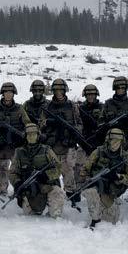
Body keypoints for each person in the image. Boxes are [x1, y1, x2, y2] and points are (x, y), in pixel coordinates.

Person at [39, 78, 83, 208]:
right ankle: (55, 194)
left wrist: (74, 131)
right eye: (56, 90)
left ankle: (71, 195)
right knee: (52, 171)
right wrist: (48, 123)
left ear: (64, 90)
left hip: (68, 144)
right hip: (52, 144)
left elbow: (79, 123)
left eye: (61, 90)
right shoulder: (47, 107)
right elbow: (40, 125)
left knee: (68, 171)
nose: (59, 92)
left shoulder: (72, 106)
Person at [80, 128, 128, 228]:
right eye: (112, 140)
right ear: (107, 141)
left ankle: (103, 207)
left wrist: (119, 176)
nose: (114, 144)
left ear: (122, 142)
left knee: (111, 220)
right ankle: (94, 219)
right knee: (91, 192)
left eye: (117, 141)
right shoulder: (98, 152)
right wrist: (88, 180)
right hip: (96, 185)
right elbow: (84, 169)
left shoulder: (126, 157)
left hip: (112, 190)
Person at [8, 124, 64, 218]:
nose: (31, 137)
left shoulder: (46, 150)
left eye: (34, 134)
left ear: (38, 135)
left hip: (47, 185)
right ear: (25, 136)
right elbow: (13, 172)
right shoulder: (19, 152)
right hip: (29, 187)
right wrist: (17, 183)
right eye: (29, 135)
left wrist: (46, 175)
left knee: (56, 205)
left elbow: (58, 167)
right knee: (30, 215)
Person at [0, 82, 31, 196]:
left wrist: (22, 134)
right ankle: (1, 190)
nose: (8, 95)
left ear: (14, 93)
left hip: (15, 143)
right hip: (0, 143)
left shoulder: (19, 108)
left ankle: (20, 189)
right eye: (6, 92)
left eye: (10, 92)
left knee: (18, 169)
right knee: (0, 169)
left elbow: (28, 124)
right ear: (2, 94)